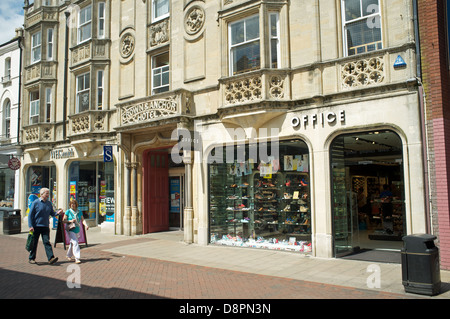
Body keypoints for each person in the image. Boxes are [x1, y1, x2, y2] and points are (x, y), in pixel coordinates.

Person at [28, 188, 62, 264]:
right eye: (46, 193)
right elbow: (30, 215)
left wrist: (58, 213)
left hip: (45, 226)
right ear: (42, 194)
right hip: (36, 226)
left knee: (46, 242)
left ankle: (51, 258)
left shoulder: (49, 203)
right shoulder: (35, 203)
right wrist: (30, 226)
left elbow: (52, 213)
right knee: (34, 242)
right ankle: (31, 258)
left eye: (48, 193)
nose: (48, 195)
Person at [63, 199, 88, 264]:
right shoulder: (68, 211)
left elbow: (82, 220)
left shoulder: (79, 212)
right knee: (75, 242)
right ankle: (77, 258)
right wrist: (70, 221)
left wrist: (86, 225)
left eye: (74, 204)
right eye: (71, 204)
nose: (72, 205)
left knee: (73, 243)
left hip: (77, 229)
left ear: (76, 205)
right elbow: (64, 220)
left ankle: (68, 255)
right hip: (70, 229)